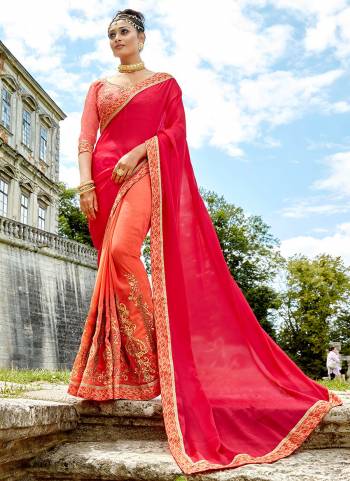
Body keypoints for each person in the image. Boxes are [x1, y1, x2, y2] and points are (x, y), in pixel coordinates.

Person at [67, 8, 343, 476]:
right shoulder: (98, 87)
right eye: (111, 34)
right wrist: (85, 186)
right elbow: (85, 138)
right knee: (111, 267)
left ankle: (159, 348)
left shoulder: (165, 84)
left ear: (142, 36)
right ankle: (140, 369)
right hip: (102, 181)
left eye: (124, 32)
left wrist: (139, 151)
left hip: (145, 172)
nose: (116, 39)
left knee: (121, 253)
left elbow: (173, 134)